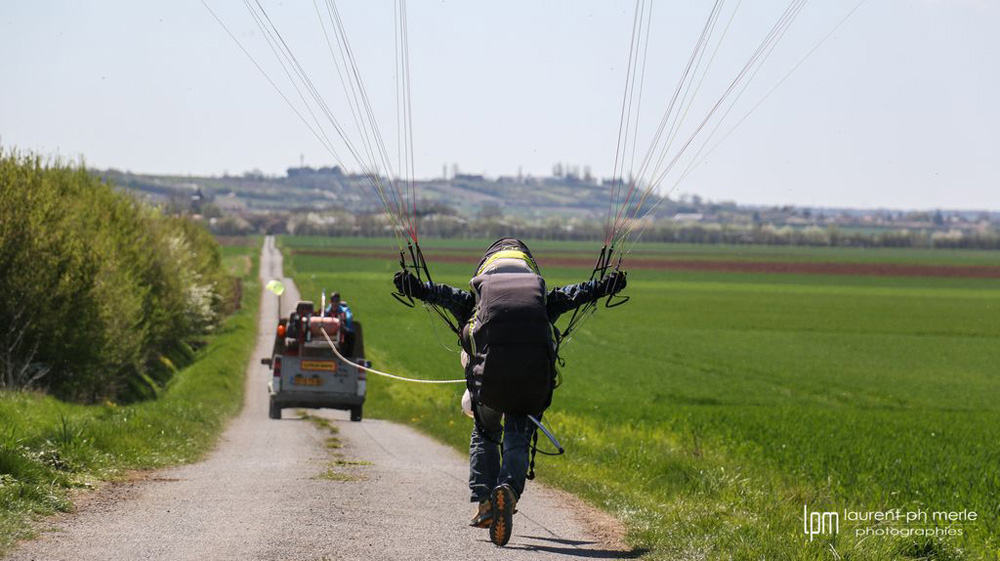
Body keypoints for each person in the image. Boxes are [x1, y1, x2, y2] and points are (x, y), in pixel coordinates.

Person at [393, 238, 626, 546]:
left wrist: (414, 286)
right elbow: (578, 293)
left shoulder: (476, 300)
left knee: (486, 433)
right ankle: (509, 490)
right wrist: (606, 285)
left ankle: (485, 501)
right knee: (518, 437)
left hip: (489, 384)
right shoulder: (542, 300)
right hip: (531, 383)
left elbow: (440, 294)